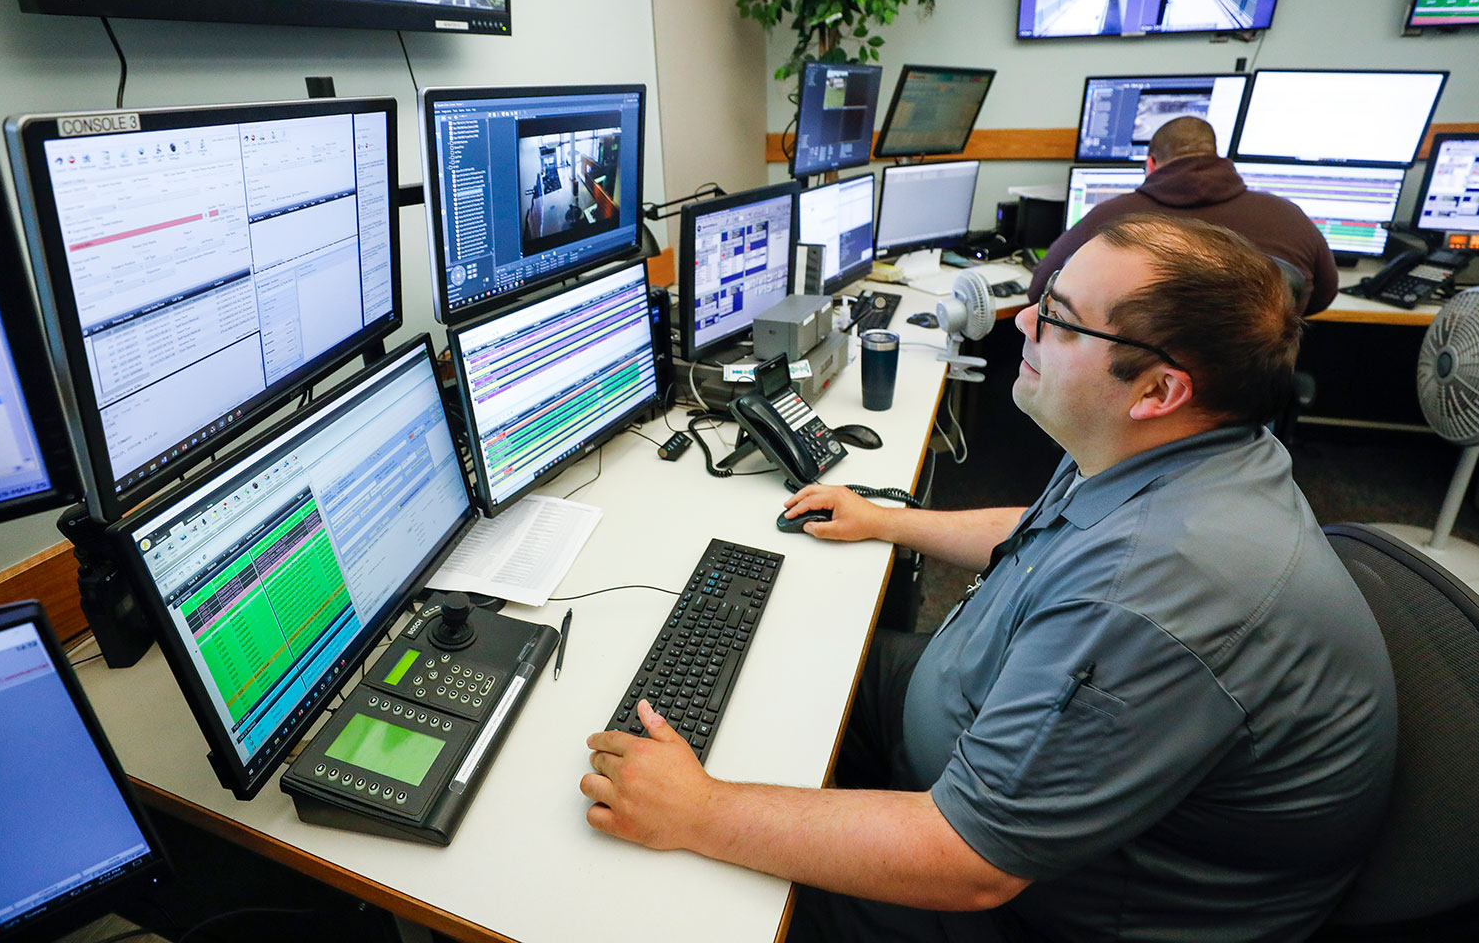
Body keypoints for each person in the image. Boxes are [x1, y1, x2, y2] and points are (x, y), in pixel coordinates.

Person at [581, 214, 1396, 942]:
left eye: (1058, 318)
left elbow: (969, 863)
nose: (1025, 322)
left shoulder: (1157, 592)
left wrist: (702, 812)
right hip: (982, 719)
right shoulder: (1175, 446)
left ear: (1158, 389)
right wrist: (888, 521)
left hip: (1038, 905)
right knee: (787, 648)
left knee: (681, 908)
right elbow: (1046, 532)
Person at [1030, 115, 1340, 315]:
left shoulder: (1110, 219)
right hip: (1249, 385)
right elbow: (1322, 297)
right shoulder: (1288, 216)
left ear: (1151, 164)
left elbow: (1040, 291)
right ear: (1216, 157)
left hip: (1140, 385)